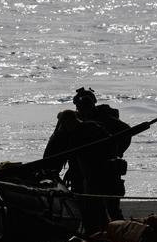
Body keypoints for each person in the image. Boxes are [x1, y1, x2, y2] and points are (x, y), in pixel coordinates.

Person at [43, 87, 131, 233]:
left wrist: (116, 153)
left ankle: (116, 237)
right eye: (81, 106)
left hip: (105, 175)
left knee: (110, 211)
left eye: (87, 105)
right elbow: (55, 150)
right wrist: (51, 171)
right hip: (82, 175)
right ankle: (95, 237)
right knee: (89, 211)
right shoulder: (71, 125)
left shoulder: (103, 123)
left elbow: (124, 135)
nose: (84, 109)